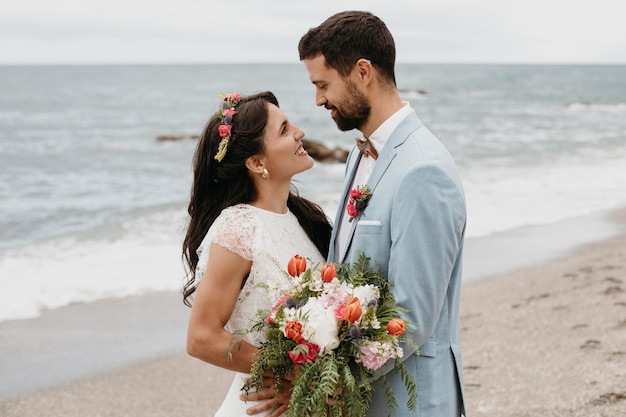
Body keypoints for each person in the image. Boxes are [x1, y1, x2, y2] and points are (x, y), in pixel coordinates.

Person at [298, 10, 467, 416]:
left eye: (323, 85)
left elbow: (411, 316)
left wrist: (328, 381)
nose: (319, 100)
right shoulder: (360, 156)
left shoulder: (423, 170)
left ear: (361, 72)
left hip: (412, 402)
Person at [182, 91, 332, 417]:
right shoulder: (238, 229)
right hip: (264, 406)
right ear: (257, 163)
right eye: (284, 130)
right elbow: (201, 337)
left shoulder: (305, 218)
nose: (300, 133)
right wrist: (295, 373)